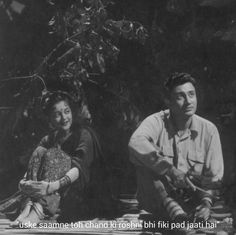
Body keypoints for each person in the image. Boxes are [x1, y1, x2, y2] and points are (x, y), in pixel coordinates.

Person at [128, 72, 224, 223]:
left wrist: (206, 204)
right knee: (143, 157)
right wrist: (170, 170)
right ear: (168, 101)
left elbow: (213, 179)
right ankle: (175, 212)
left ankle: (180, 215)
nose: (188, 102)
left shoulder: (209, 130)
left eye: (191, 94)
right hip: (157, 201)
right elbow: (135, 142)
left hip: (191, 203)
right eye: (180, 97)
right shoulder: (156, 121)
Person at [5, 91, 107, 226]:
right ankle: (28, 208)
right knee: (40, 151)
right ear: (50, 119)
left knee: (55, 154)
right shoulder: (49, 138)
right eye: (57, 114)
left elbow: (79, 168)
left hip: (75, 190)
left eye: (66, 111)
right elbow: (35, 164)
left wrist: (52, 186)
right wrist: (24, 182)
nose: (64, 117)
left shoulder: (83, 134)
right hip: (48, 190)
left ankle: (38, 211)